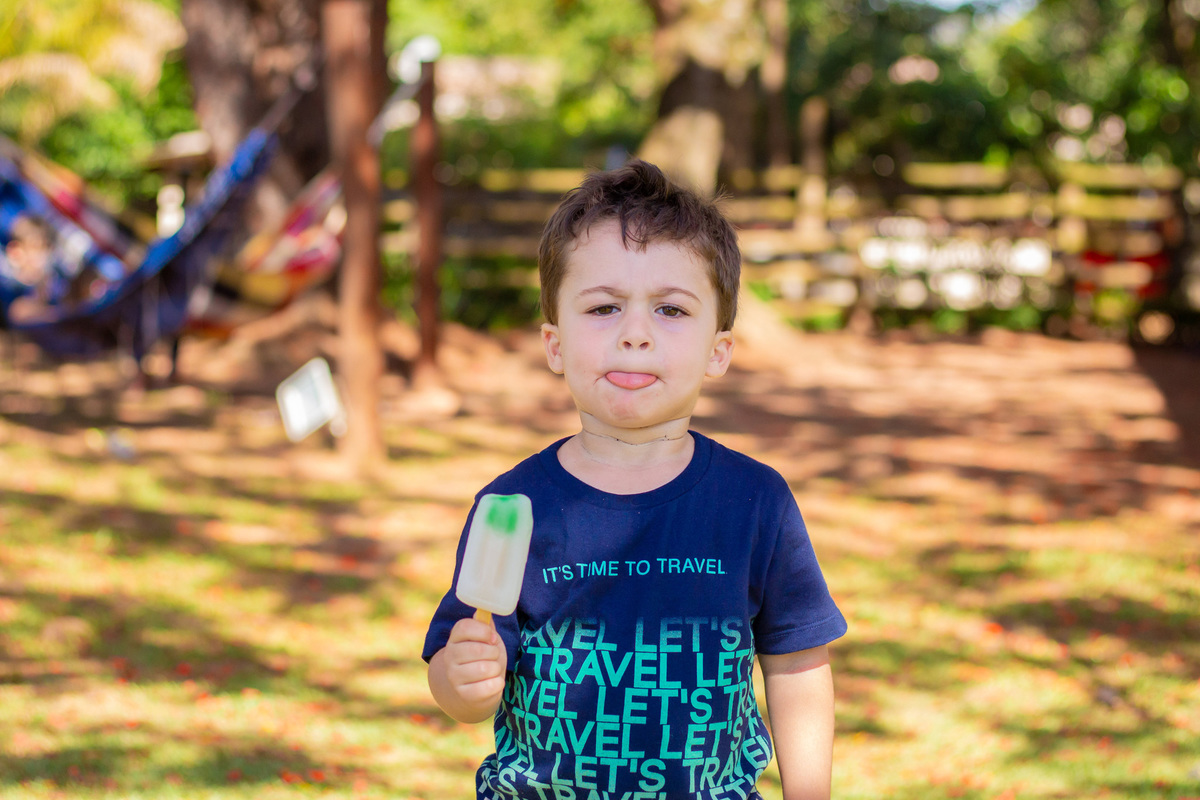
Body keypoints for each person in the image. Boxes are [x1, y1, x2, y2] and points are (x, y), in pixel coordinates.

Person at [423, 160, 847, 800]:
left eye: (671, 309)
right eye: (604, 307)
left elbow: (797, 660)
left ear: (718, 350)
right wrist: (462, 683)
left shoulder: (756, 502)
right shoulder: (515, 505)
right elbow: (458, 669)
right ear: (555, 343)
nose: (635, 335)